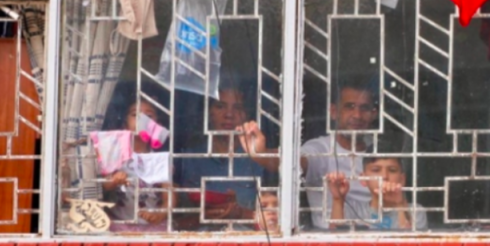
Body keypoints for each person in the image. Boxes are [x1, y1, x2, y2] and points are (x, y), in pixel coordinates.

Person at [236, 76, 378, 229]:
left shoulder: (380, 149)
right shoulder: (321, 149)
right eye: (349, 106)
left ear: (373, 114)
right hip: (329, 241)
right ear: (334, 112)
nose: (357, 115)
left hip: (381, 236)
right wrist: (261, 153)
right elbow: (293, 162)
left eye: (364, 108)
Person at [176, 81, 277, 229]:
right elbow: (173, 221)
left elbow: (276, 217)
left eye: (238, 108)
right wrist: (203, 216)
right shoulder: (189, 158)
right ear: (208, 112)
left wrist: (243, 214)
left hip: (249, 242)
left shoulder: (259, 159)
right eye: (220, 106)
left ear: (247, 114)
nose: (229, 115)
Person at [99, 99, 171, 232]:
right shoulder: (115, 155)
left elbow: (170, 194)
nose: (142, 119)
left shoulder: (160, 160)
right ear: (125, 125)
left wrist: (160, 213)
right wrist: (113, 182)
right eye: (135, 115)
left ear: (158, 125)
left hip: (154, 227)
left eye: (149, 116)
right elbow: (101, 187)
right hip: (118, 224)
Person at [326, 156, 427, 230]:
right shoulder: (353, 209)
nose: (384, 176)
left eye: (392, 170)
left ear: (402, 179)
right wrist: (338, 199)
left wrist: (400, 205)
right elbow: (334, 243)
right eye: (376, 170)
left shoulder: (416, 211)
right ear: (363, 179)